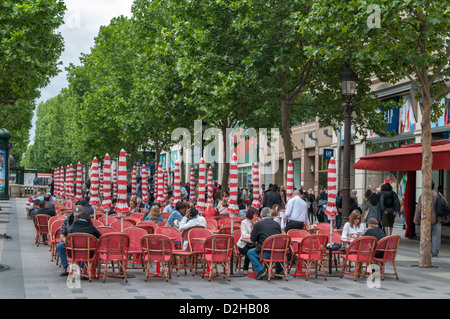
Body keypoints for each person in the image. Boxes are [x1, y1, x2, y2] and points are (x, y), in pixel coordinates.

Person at [57, 206, 101, 276]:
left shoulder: (86, 221)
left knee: (84, 248)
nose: (77, 216)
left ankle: (81, 267)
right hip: (70, 242)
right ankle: (66, 266)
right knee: (59, 246)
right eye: (76, 215)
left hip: (82, 244)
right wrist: (66, 241)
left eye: (78, 215)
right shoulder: (68, 220)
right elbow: (62, 234)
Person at [246, 207, 283, 280]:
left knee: (250, 252)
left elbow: (253, 240)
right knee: (279, 250)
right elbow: (280, 237)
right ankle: (280, 269)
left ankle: (261, 270)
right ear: (270, 215)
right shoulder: (276, 224)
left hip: (265, 252)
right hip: (277, 252)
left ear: (261, 215)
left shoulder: (258, 224)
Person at [414, 181, 447, 258]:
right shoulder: (439, 194)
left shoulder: (423, 195)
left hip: (426, 219)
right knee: (436, 236)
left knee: (425, 236)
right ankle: (434, 252)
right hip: (437, 219)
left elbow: (418, 209)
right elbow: (445, 205)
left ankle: (424, 252)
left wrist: (416, 220)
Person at [236, 206, 260, 275]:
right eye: (255, 215)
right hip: (243, 245)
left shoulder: (257, 223)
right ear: (250, 215)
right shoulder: (244, 222)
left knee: (255, 251)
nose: (256, 217)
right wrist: (253, 236)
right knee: (249, 252)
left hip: (253, 244)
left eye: (256, 215)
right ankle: (245, 268)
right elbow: (244, 235)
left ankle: (256, 268)